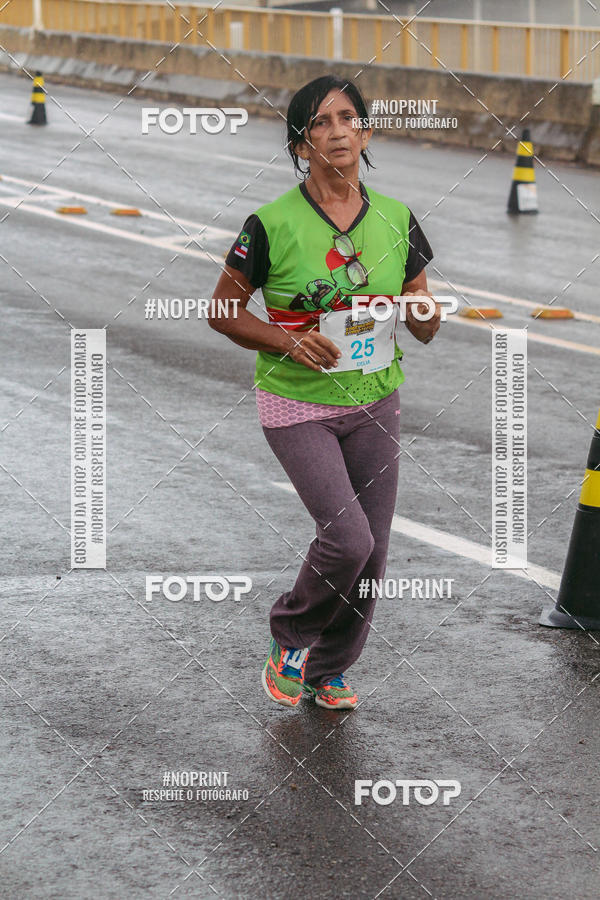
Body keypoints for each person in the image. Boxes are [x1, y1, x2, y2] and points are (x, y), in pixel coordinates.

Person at [210, 75, 440, 711]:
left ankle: (329, 670)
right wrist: (289, 342)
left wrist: (423, 315)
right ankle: (291, 635)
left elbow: (422, 316)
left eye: (348, 118)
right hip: (297, 402)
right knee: (348, 542)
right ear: (300, 140)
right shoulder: (270, 224)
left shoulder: (397, 218)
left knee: (375, 554)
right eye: (319, 122)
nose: (337, 131)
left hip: (376, 402)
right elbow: (223, 311)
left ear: (365, 131)